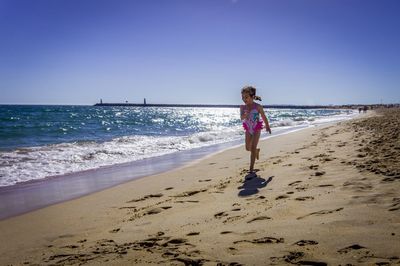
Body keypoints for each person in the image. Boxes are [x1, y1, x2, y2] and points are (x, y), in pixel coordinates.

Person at [240, 86, 271, 174]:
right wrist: (245, 115)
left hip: (256, 127)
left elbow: (264, 116)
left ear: (252, 96)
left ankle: (251, 168)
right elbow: (241, 118)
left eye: (246, 97)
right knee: (247, 148)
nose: (244, 99)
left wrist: (267, 126)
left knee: (253, 147)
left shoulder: (258, 106)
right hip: (248, 127)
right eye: (242, 97)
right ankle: (256, 151)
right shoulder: (242, 107)